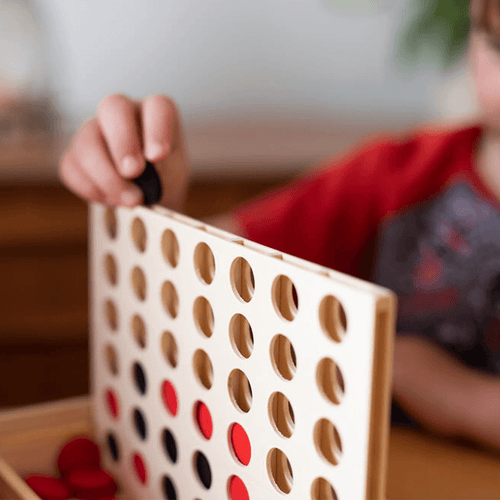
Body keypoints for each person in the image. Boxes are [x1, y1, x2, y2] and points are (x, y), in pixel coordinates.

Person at [60, 0, 500, 451]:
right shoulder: (394, 177)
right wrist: (154, 203)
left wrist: (457, 396)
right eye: (496, 40)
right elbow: (206, 278)